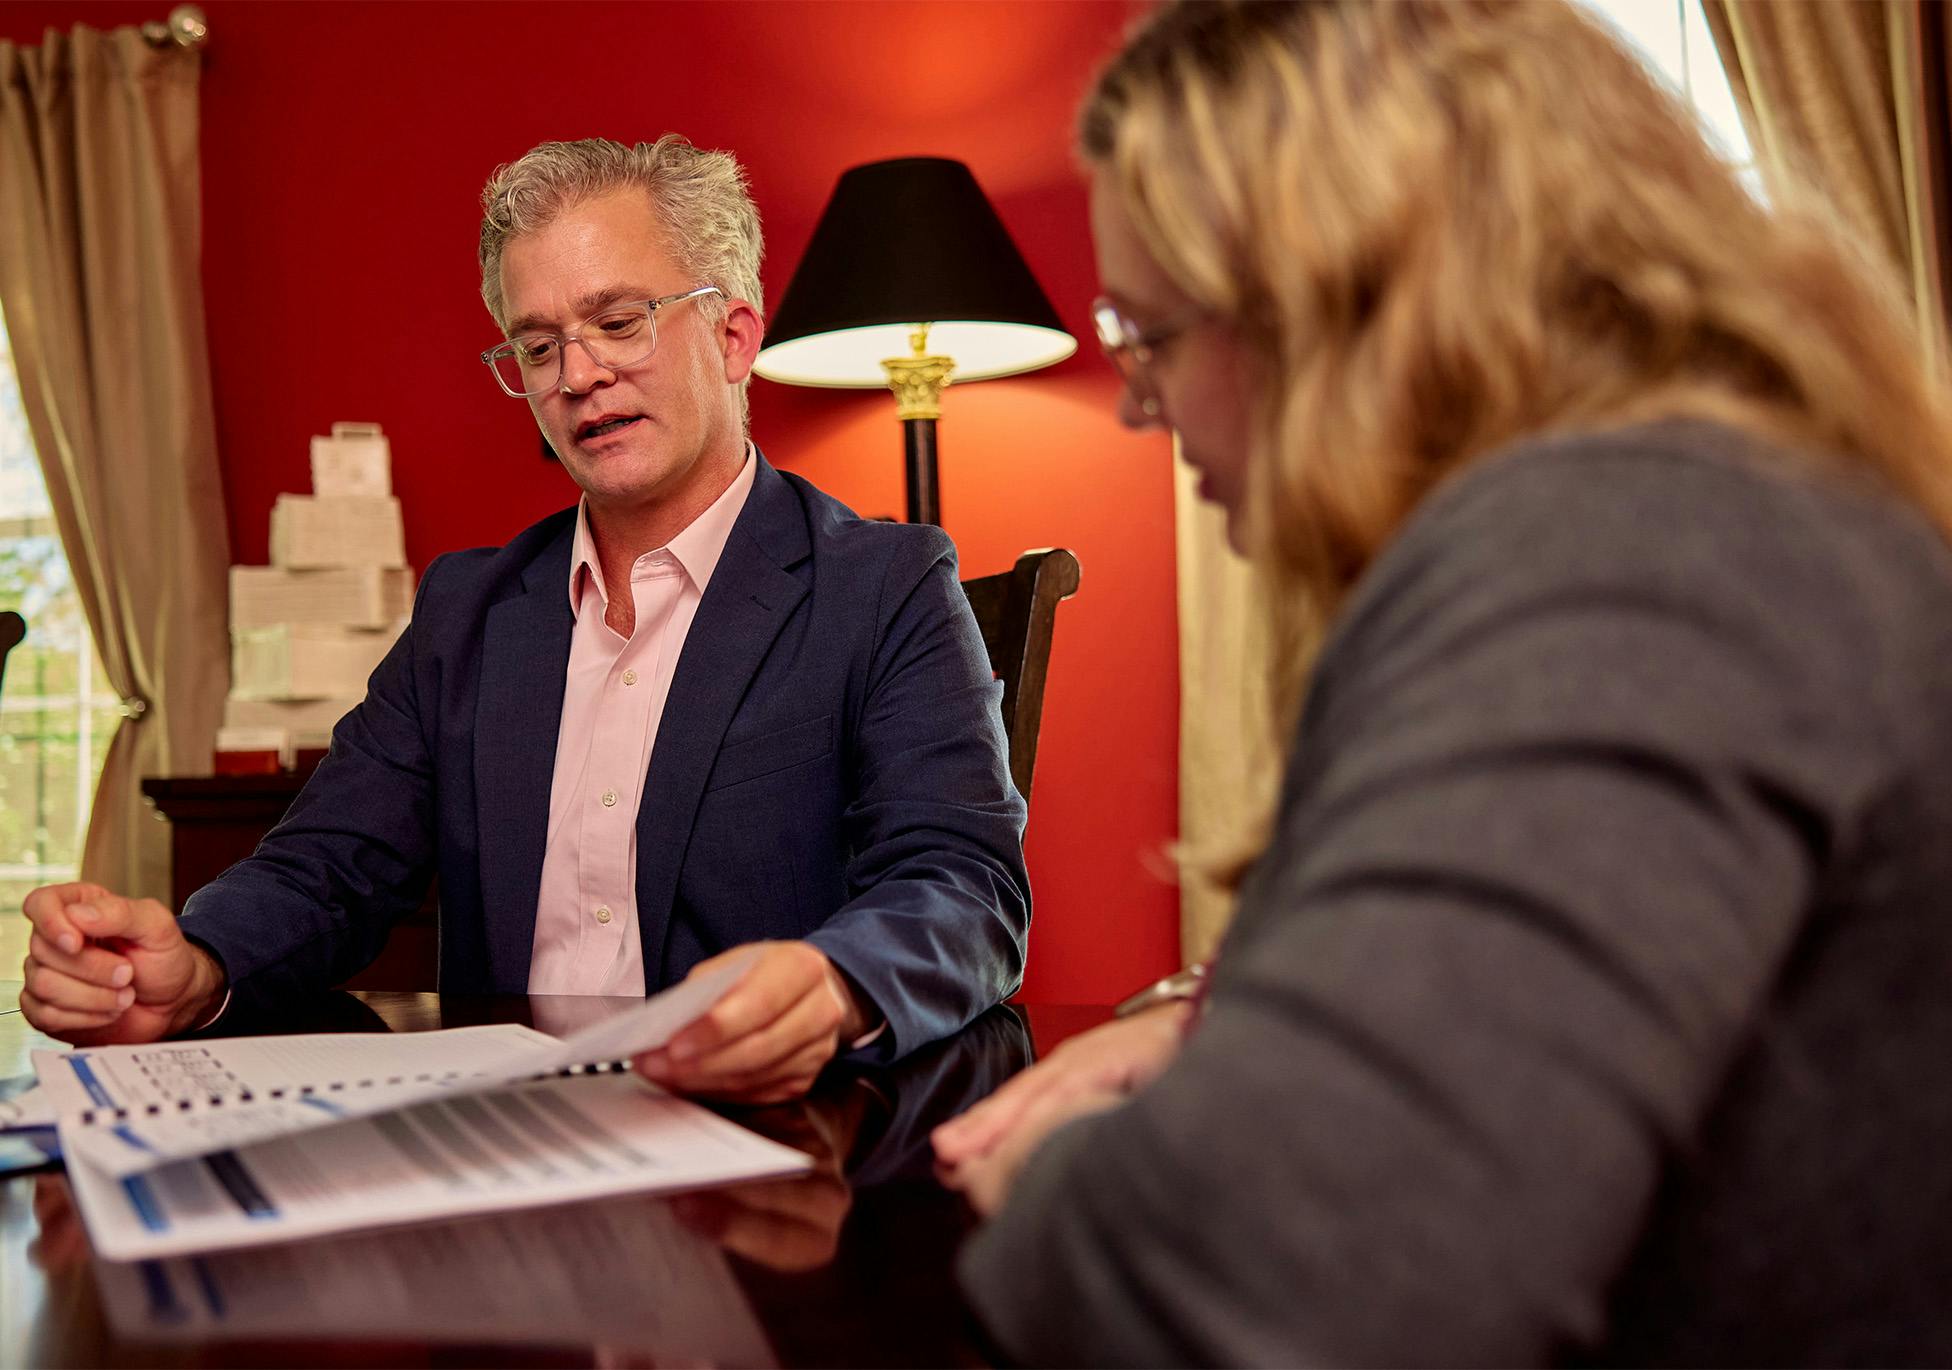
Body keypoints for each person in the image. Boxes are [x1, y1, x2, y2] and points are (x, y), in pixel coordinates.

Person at [933, 0, 1952, 1362]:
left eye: (1151, 331)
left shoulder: (1622, 556)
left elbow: (1293, 1274)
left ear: (1323, 291)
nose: (1140, 403)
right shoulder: (1711, 510)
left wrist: (1062, 1173)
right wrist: (1223, 1025)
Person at [19, 136, 1030, 1104]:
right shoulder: (468, 607)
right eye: (536, 344)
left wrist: (832, 984)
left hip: (777, 1148)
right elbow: (326, 865)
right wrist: (195, 963)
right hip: (507, 1139)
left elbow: (961, 884)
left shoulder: (885, 584)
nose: (576, 376)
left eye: (618, 321)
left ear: (733, 334)